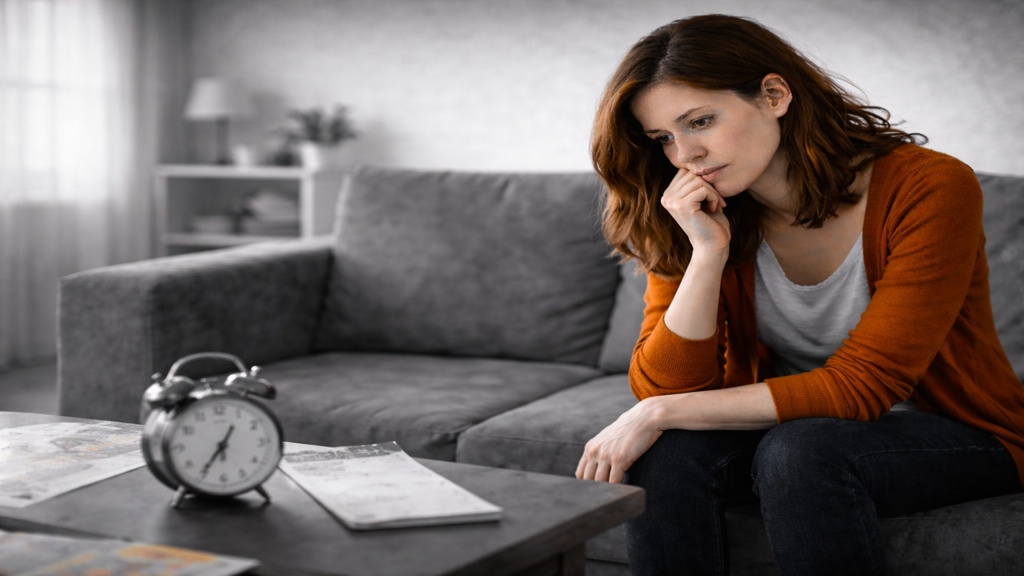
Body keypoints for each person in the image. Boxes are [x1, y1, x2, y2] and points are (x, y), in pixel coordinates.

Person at [575, 13, 1024, 576]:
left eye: (700, 121)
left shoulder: (929, 187)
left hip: (959, 430)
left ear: (773, 94)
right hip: (798, 427)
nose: (683, 154)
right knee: (663, 453)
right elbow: (666, 385)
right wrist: (707, 256)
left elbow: (866, 387)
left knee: (803, 453)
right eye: (663, 138)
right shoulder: (694, 211)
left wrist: (658, 411)